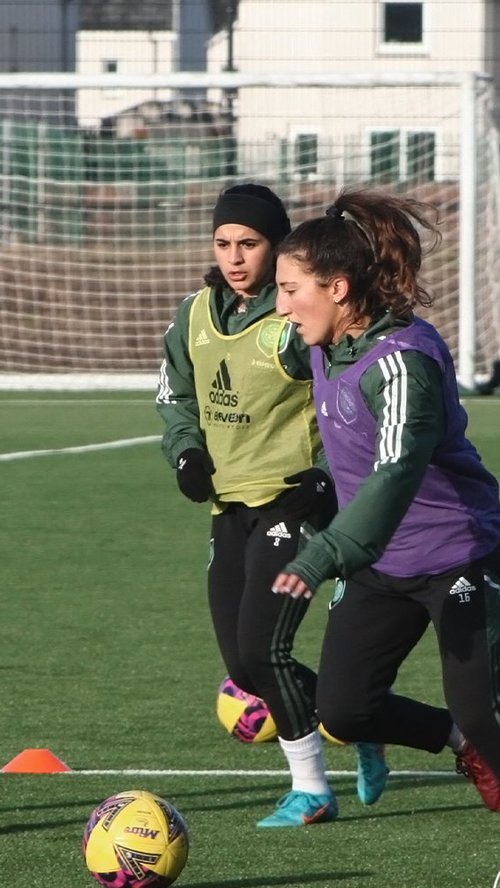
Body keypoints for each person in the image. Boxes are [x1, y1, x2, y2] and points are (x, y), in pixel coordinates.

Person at [270, 187, 500, 877]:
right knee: (342, 709)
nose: (281, 305)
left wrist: (327, 547)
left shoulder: (402, 363)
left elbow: (394, 473)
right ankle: (457, 742)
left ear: (337, 288)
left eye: (290, 289)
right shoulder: (325, 340)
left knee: (485, 712)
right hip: (381, 563)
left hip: (456, 556)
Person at [156, 183, 389, 828]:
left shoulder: (293, 324)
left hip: (297, 497)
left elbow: (352, 383)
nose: (235, 256)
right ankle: (361, 720)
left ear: (277, 248)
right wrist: (184, 452)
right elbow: (174, 395)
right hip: (230, 506)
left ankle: (311, 787)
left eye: (250, 244)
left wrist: (337, 474)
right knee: (244, 666)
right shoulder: (194, 315)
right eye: (224, 243)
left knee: (263, 647)